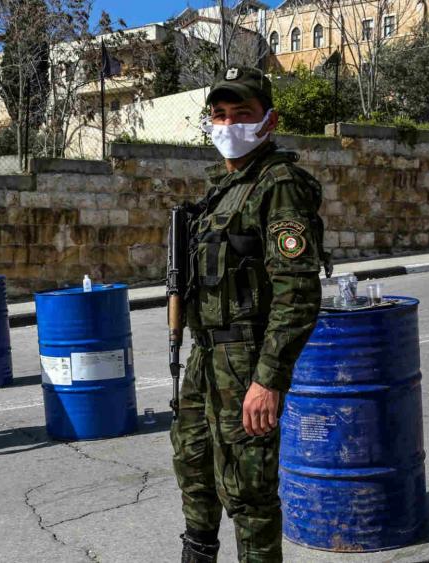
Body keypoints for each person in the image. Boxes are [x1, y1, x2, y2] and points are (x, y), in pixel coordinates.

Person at [171, 67, 330, 562]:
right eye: (219, 114)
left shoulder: (278, 185)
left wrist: (268, 379)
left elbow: (297, 292)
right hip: (204, 357)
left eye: (242, 114)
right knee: (194, 468)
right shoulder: (222, 188)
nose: (228, 124)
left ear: (269, 121)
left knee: (248, 490)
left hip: (245, 362)